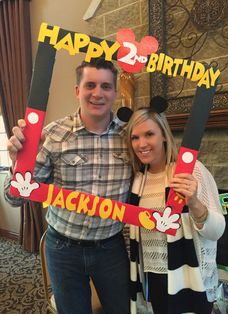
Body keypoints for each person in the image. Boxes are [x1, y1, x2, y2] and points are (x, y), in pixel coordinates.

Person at [4, 58, 132, 314]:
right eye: (90, 85)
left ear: (115, 93)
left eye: (106, 86)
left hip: (111, 249)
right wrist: (20, 163)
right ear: (77, 90)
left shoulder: (130, 137)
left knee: (121, 310)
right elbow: (14, 197)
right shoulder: (52, 135)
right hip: (63, 249)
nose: (98, 93)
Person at [126, 100, 225, 314]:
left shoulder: (190, 171)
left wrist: (194, 203)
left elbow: (217, 231)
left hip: (191, 275)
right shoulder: (137, 181)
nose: (141, 143)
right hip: (154, 278)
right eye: (135, 137)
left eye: (149, 134)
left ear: (163, 134)